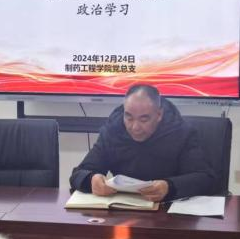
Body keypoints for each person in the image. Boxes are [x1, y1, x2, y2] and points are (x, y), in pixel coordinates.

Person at [69, 84, 216, 202]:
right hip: (122, 214)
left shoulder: (181, 133)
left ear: (159, 114)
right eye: (129, 118)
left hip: (169, 216)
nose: (135, 127)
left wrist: (169, 187)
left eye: (144, 119)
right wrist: (91, 180)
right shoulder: (112, 131)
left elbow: (205, 178)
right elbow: (78, 174)